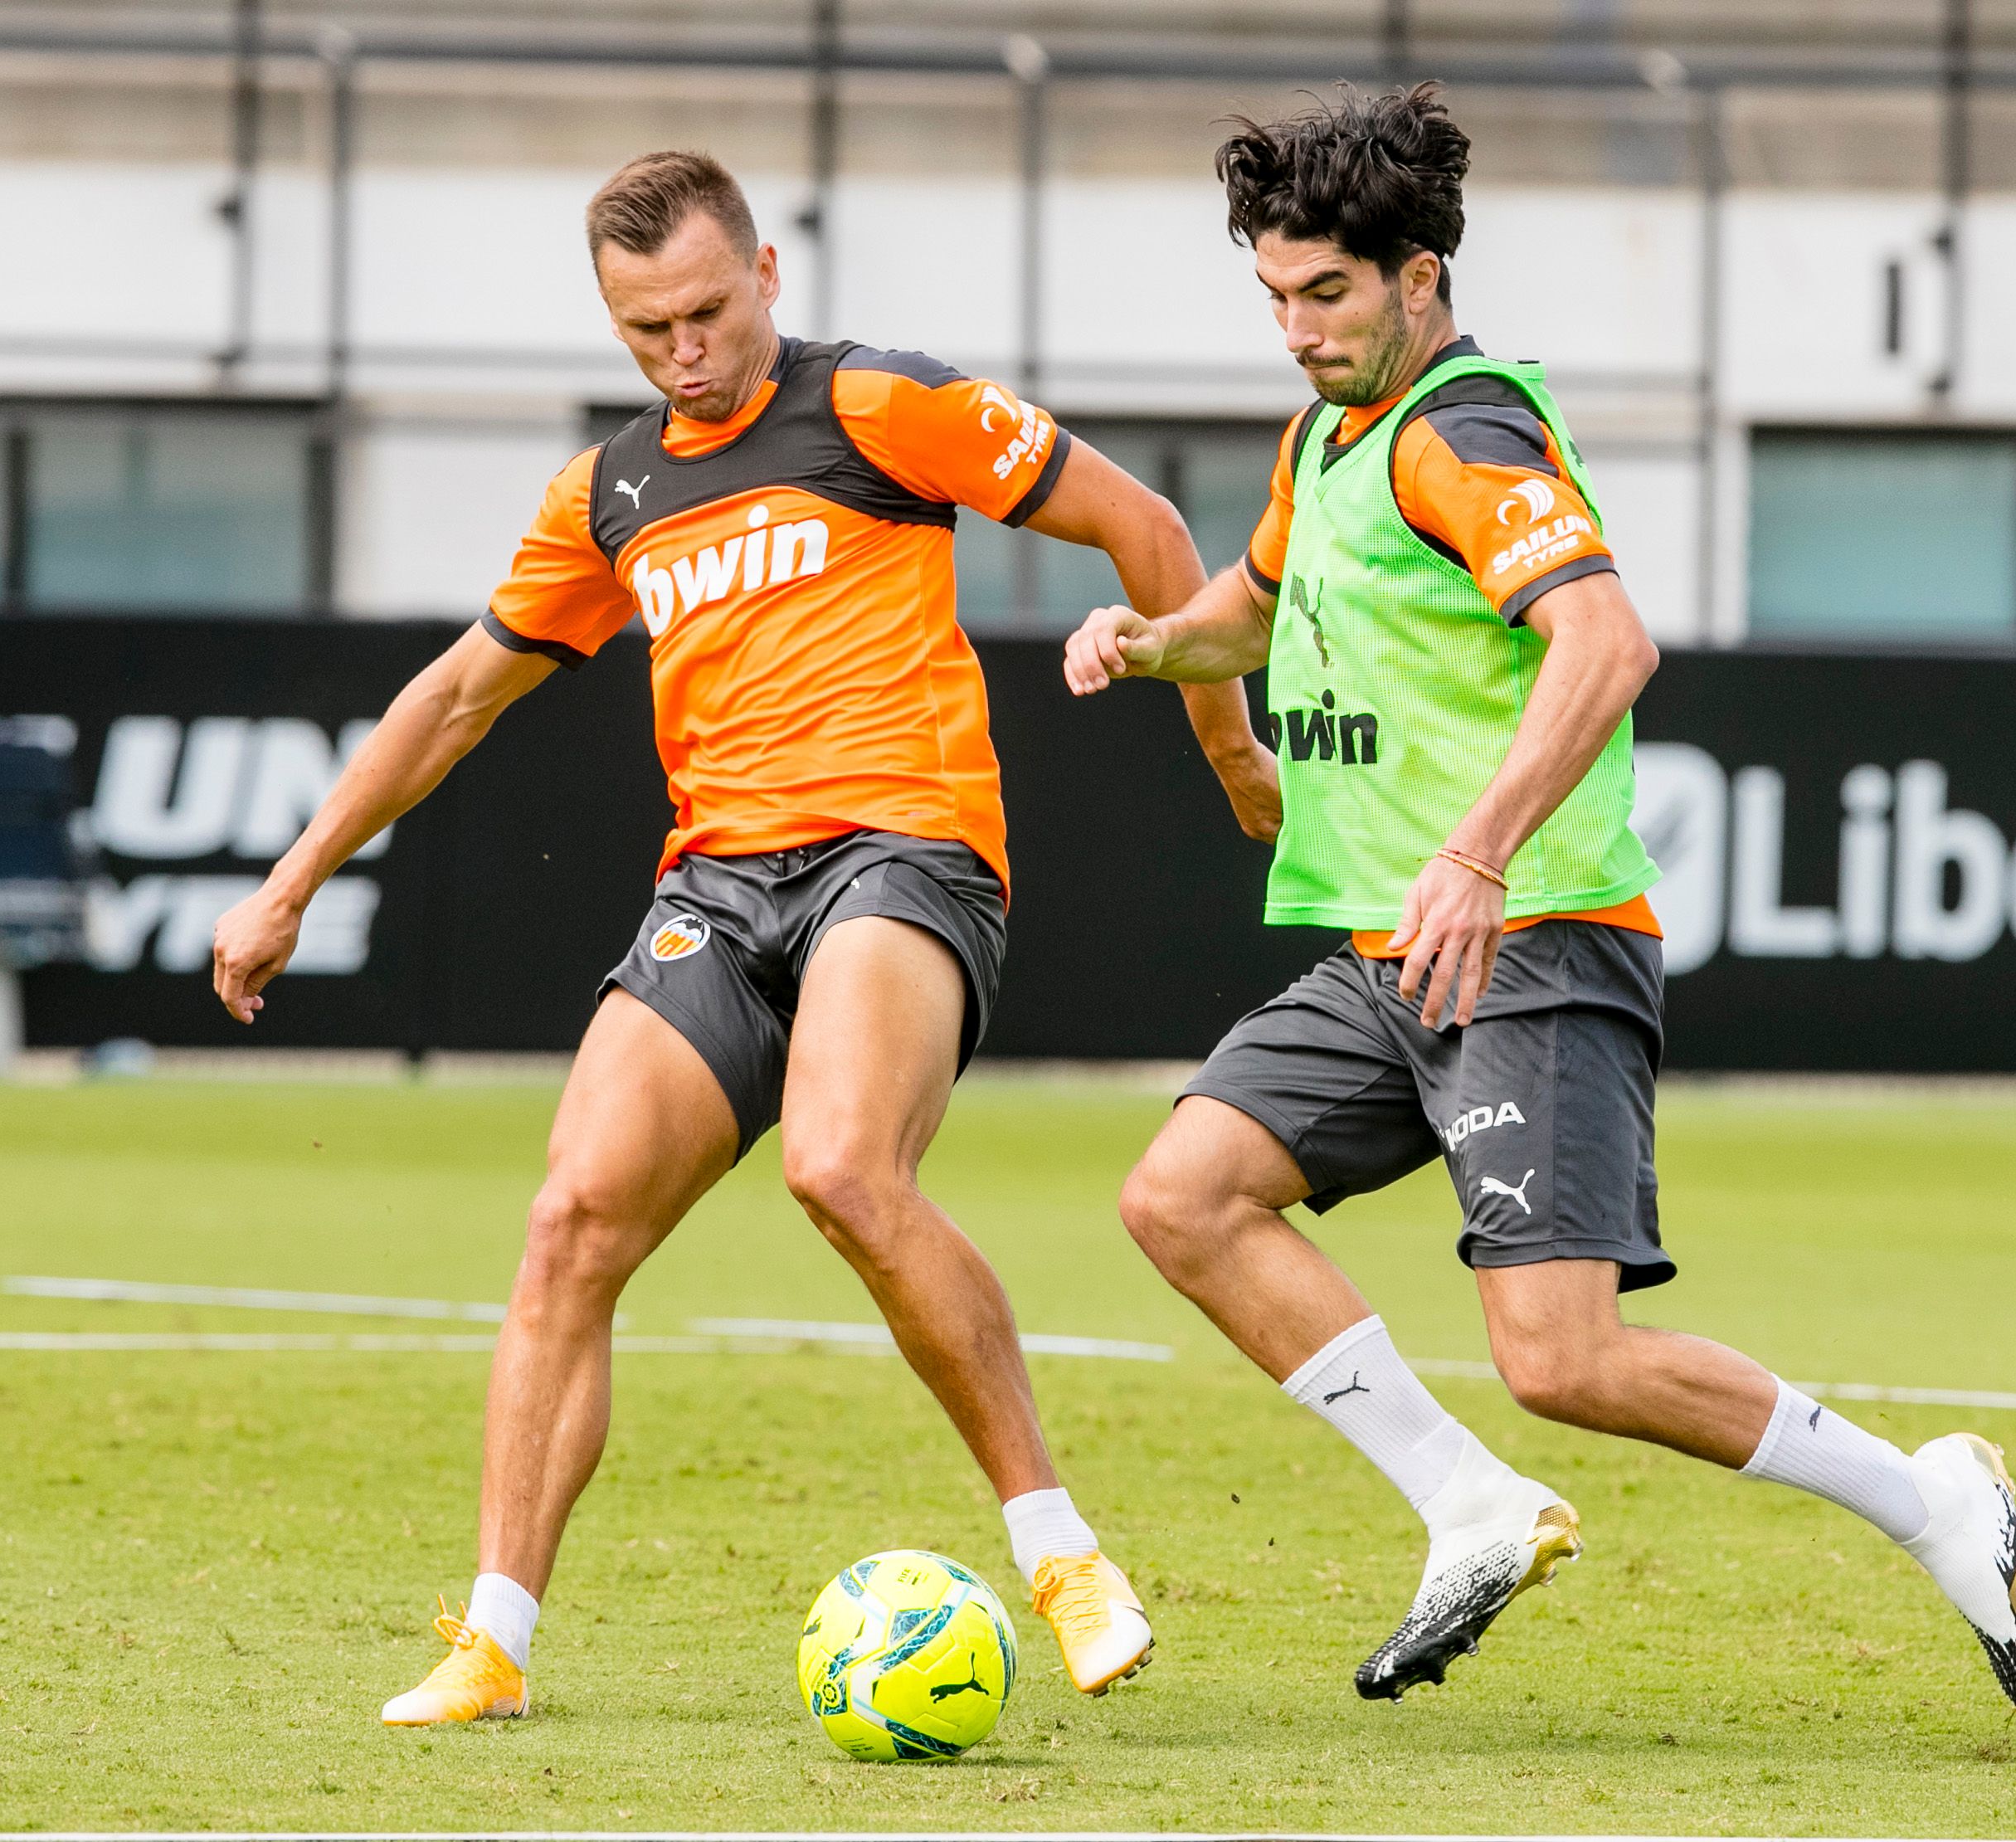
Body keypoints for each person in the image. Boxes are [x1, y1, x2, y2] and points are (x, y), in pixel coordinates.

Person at [211, 149, 1279, 1726]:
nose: (683, 351)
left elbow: (1145, 526)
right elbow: (452, 697)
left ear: (768, 273)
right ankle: (494, 1644)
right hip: (719, 892)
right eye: (645, 330)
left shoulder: (884, 411)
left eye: (708, 311)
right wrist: (291, 876)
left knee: (841, 1169)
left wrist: (1226, 749)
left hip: (905, 858)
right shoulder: (610, 493)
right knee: (571, 1218)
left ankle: (1058, 1556)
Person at [1063, 85, 2016, 1713]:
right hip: (1399, 952)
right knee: (1180, 1197)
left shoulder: (1468, 430)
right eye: (1274, 297)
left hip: (1529, 937)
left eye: (1327, 294)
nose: (1298, 330)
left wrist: (1473, 849)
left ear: (1421, 274)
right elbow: (1259, 599)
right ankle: (1468, 1505)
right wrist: (1155, 643)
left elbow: (1608, 644)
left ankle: (1933, 1496)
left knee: (1567, 1363)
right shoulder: (1328, 436)